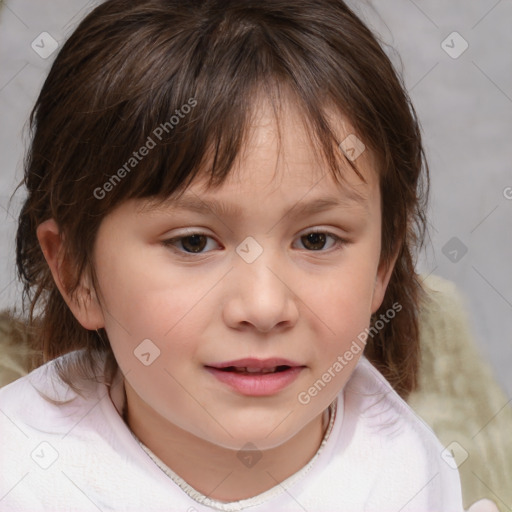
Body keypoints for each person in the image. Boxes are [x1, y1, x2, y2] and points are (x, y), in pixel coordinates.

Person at [0, 0, 475, 510]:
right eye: (193, 242)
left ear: (383, 264)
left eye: (316, 240)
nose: (265, 306)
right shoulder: (23, 475)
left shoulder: (408, 472)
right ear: (76, 273)